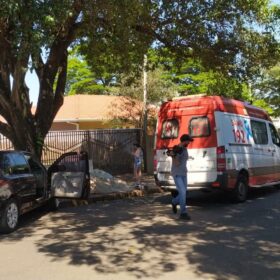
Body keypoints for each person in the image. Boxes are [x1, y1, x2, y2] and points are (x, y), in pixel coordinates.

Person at [169, 134, 193, 220]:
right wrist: (173, 156)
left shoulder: (184, 149)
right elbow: (176, 163)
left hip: (184, 173)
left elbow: (184, 159)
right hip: (177, 173)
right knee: (182, 192)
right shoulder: (177, 149)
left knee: (184, 192)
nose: (189, 142)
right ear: (184, 141)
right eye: (188, 141)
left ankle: (174, 202)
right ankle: (183, 213)